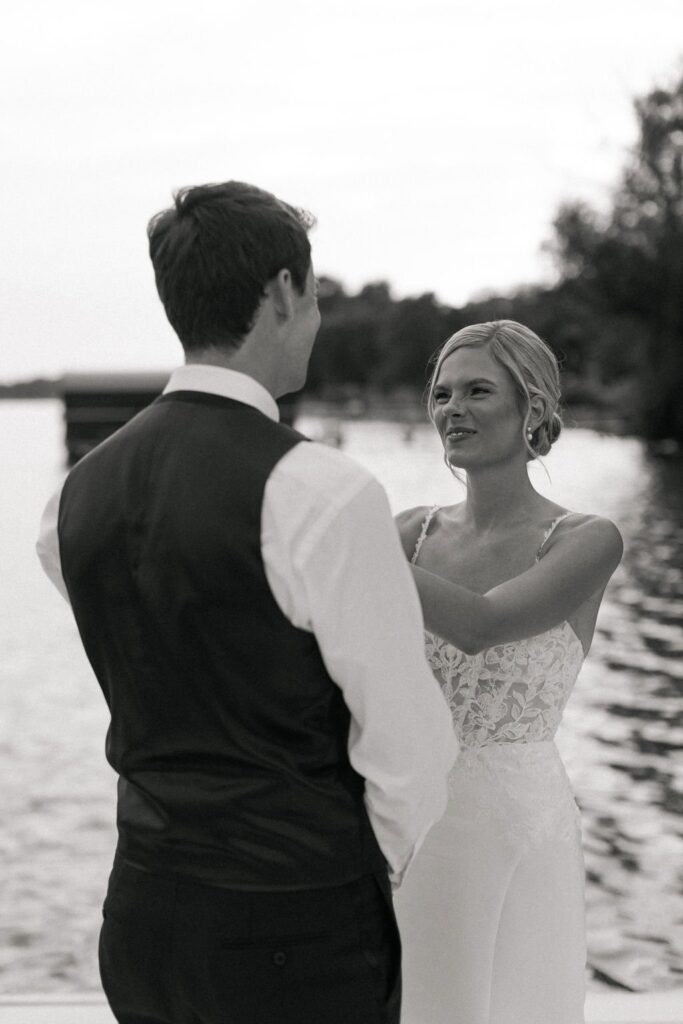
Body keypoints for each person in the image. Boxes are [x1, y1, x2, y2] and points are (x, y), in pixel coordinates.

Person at [36, 181, 458, 1024]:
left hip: (143, 913)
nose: (314, 319)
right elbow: (410, 744)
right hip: (294, 922)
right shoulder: (321, 491)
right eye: (312, 295)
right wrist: (354, 869)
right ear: (280, 291)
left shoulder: (71, 498)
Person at [393, 320, 623, 1024]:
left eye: (476, 390)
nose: (450, 409)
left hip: (518, 818)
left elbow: (481, 625)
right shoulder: (408, 533)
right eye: (440, 393)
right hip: (407, 815)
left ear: (533, 410)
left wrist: (352, 551)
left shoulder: (584, 539)